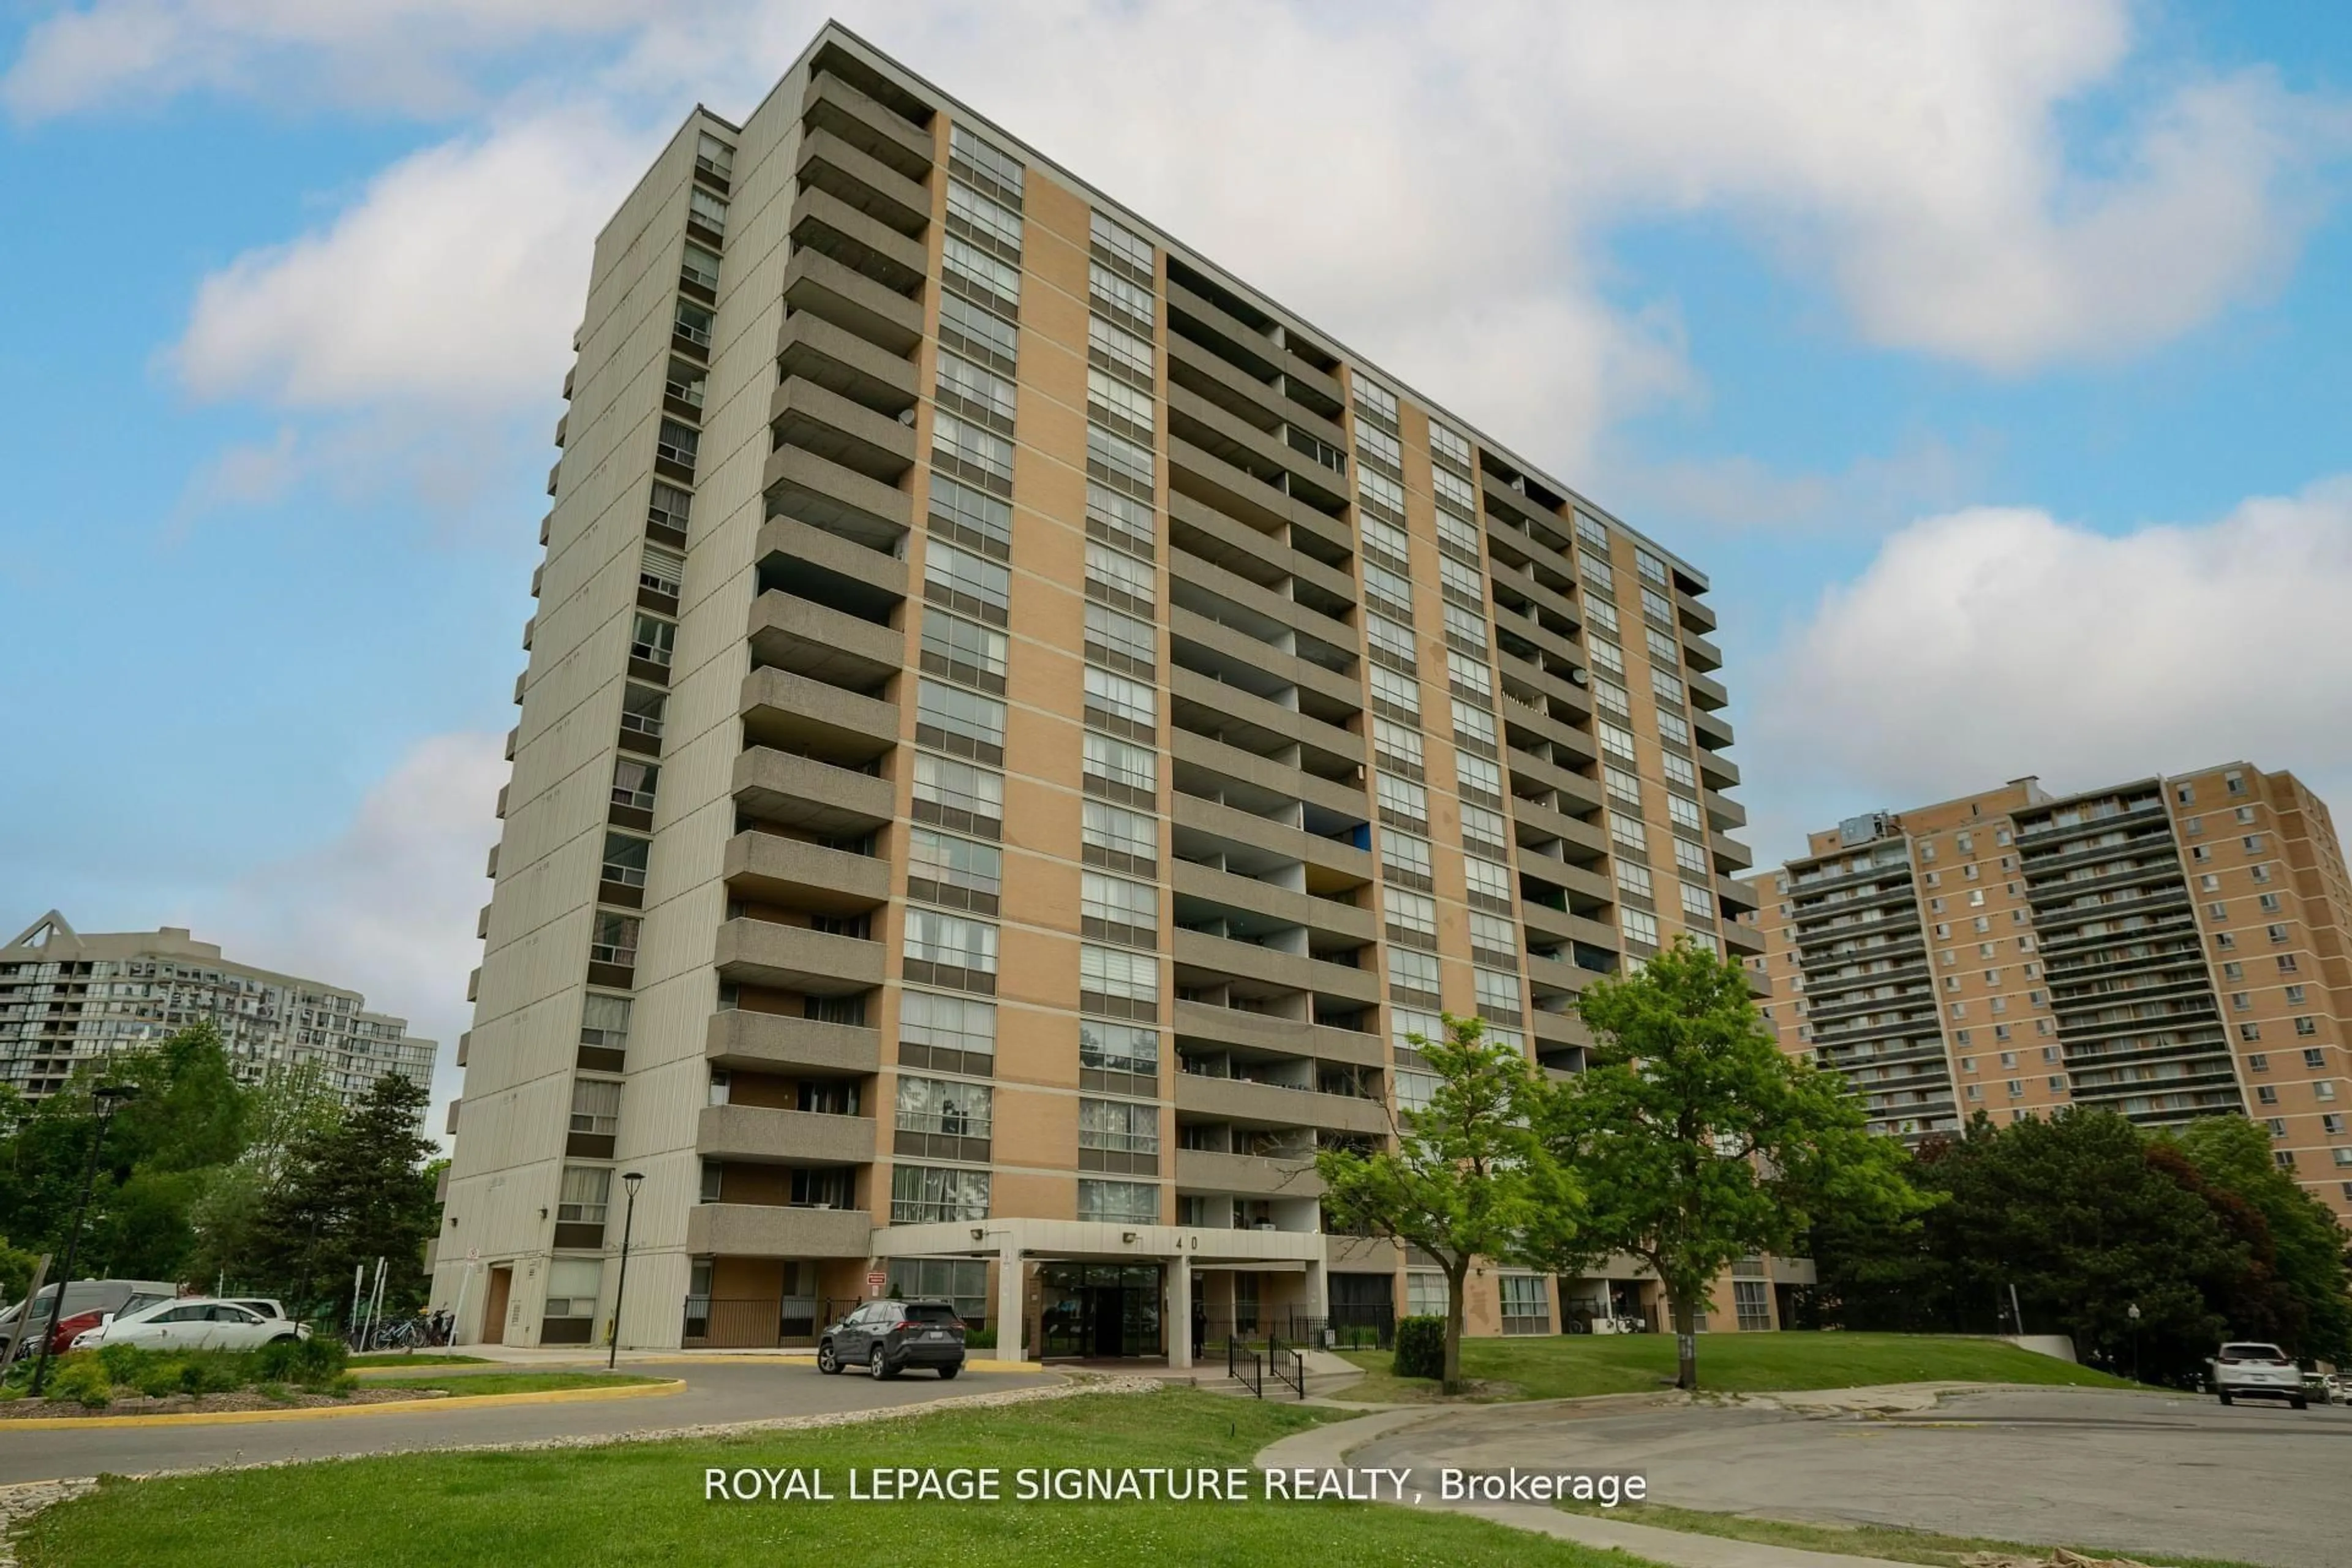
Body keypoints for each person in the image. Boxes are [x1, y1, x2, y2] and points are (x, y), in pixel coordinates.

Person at [1191, 1295, 1207, 1360]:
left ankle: (1198, 1354)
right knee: (1192, 1344)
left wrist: (1202, 1318)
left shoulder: (1200, 1315)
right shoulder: (1192, 1314)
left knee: (1198, 1345)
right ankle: (1192, 1355)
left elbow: (1205, 1321)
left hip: (1198, 1332)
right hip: (1193, 1331)